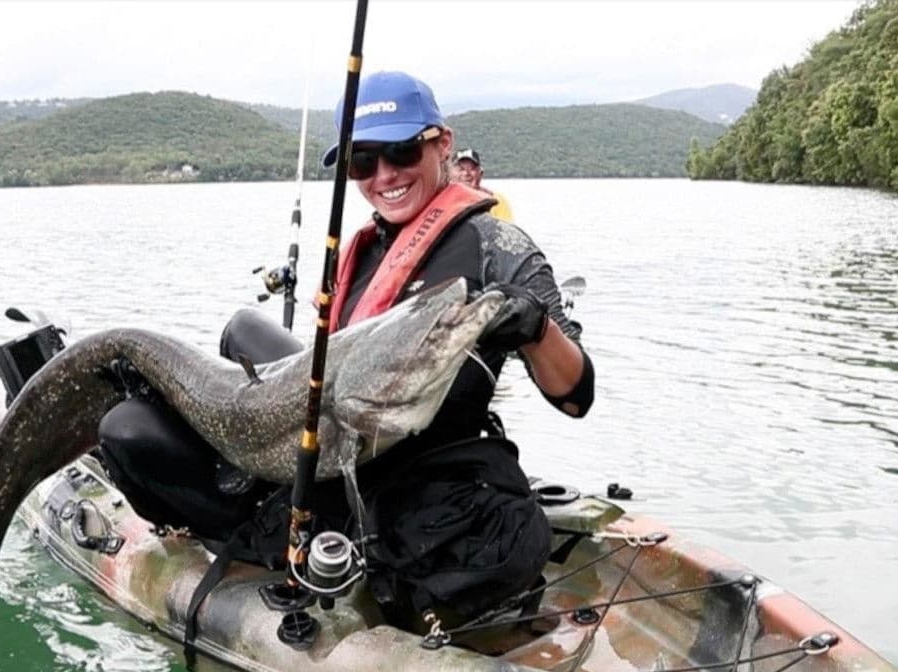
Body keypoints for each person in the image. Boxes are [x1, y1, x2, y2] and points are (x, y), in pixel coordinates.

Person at [98, 70, 594, 637]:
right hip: (337, 446)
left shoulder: (499, 247)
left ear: (443, 144)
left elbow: (576, 397)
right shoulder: (358, 250)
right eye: (363, 162)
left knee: (134, 433)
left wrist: (534, 328)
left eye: (403, 151)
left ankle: (277, 542)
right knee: (145, 411)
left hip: (427, 475)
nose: (384, 176)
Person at [451, 147, 515, 222]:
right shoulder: (443, 202)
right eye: (461, 169)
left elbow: (505, 230)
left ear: (480, 173)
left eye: (472, 169)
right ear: (450, 174)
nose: (466, 173)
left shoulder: (496, 201)